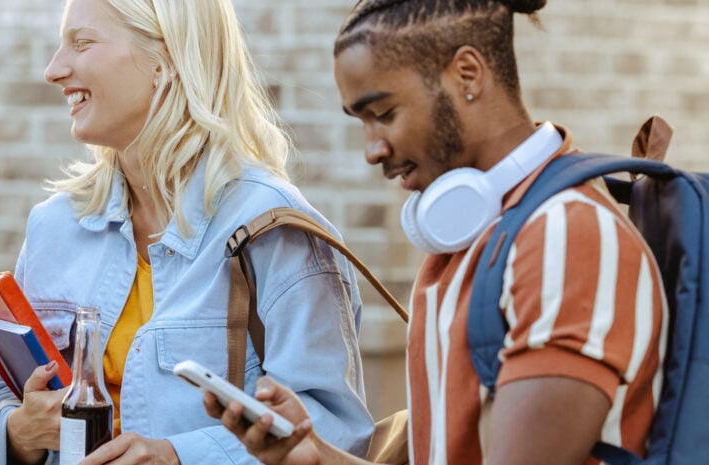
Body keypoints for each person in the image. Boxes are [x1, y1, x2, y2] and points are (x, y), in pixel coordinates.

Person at [205, 1, 668, 464]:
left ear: (467, 74)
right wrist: (314, 457)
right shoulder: (470, 237)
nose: (372, 149)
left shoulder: (567, 239)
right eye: (362, 121)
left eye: (384, 113)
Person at [0, 0, 376, 463]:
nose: (53, 70)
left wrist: (178, 456)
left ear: (166, 60)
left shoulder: (272, 225)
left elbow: (334, 430)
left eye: (82, 43)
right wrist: (19, 433)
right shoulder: (53, 227)